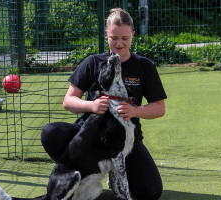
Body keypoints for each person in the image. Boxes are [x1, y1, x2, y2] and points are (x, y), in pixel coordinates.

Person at [41, 8, 167, 200]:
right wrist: (91, 106)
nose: (119, 44)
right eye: (113, 38)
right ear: (106, 35)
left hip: (123, 140)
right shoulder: (93, 62)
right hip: (89, 137)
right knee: (50, 132)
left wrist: (135, 110)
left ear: (133, 35)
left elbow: (159, 107)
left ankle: (113, 173)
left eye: (125, 38)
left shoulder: (144, 66)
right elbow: (68, 101)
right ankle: (80, 175)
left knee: (150, 192)